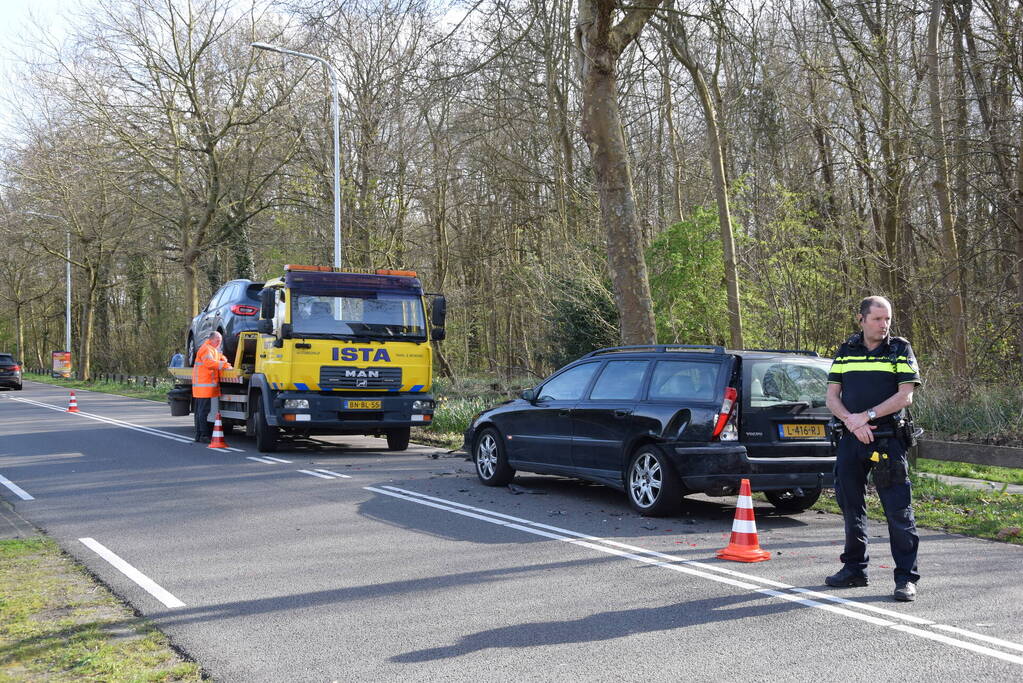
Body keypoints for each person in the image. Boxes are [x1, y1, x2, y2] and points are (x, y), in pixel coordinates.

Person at [824, 296, 922, 601]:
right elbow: (831, 397)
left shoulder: (899, 349)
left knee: (898, 511)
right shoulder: (846, 350)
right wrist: (853, 423)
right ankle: (854, 569)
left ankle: (906, 578)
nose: (884, 325)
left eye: (888, 319)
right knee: (851, 506)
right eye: (878, 319)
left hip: (888, 440)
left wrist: (865, 417)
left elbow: (905, 396)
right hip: (852, 438)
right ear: (862, 319)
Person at [192, 331, 232, 443]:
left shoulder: (212, 349)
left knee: (202, 412)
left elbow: (219, 357)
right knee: (203, 412)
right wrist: (224, 365)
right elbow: (209, 363)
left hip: (204, 386)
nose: (219, 343)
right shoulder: (206, 349)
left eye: (220, 341)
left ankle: (199, 435)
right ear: (211, 339)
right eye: (217, 340)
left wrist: (224, 360)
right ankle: (203, 435)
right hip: (203, 386)